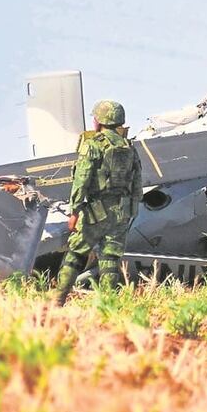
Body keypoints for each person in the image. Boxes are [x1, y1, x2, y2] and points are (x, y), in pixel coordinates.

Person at [53, 100, 142, 305]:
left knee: (76, 253)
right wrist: (133, 208)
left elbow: (81, 179)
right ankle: (106, 304)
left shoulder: (93, 145)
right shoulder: (128, 146)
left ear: (99, 121)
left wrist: (74, 211)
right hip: (122, 211)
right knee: (110, 259)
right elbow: (137, 181)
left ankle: (57, 300)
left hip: (96, 211)